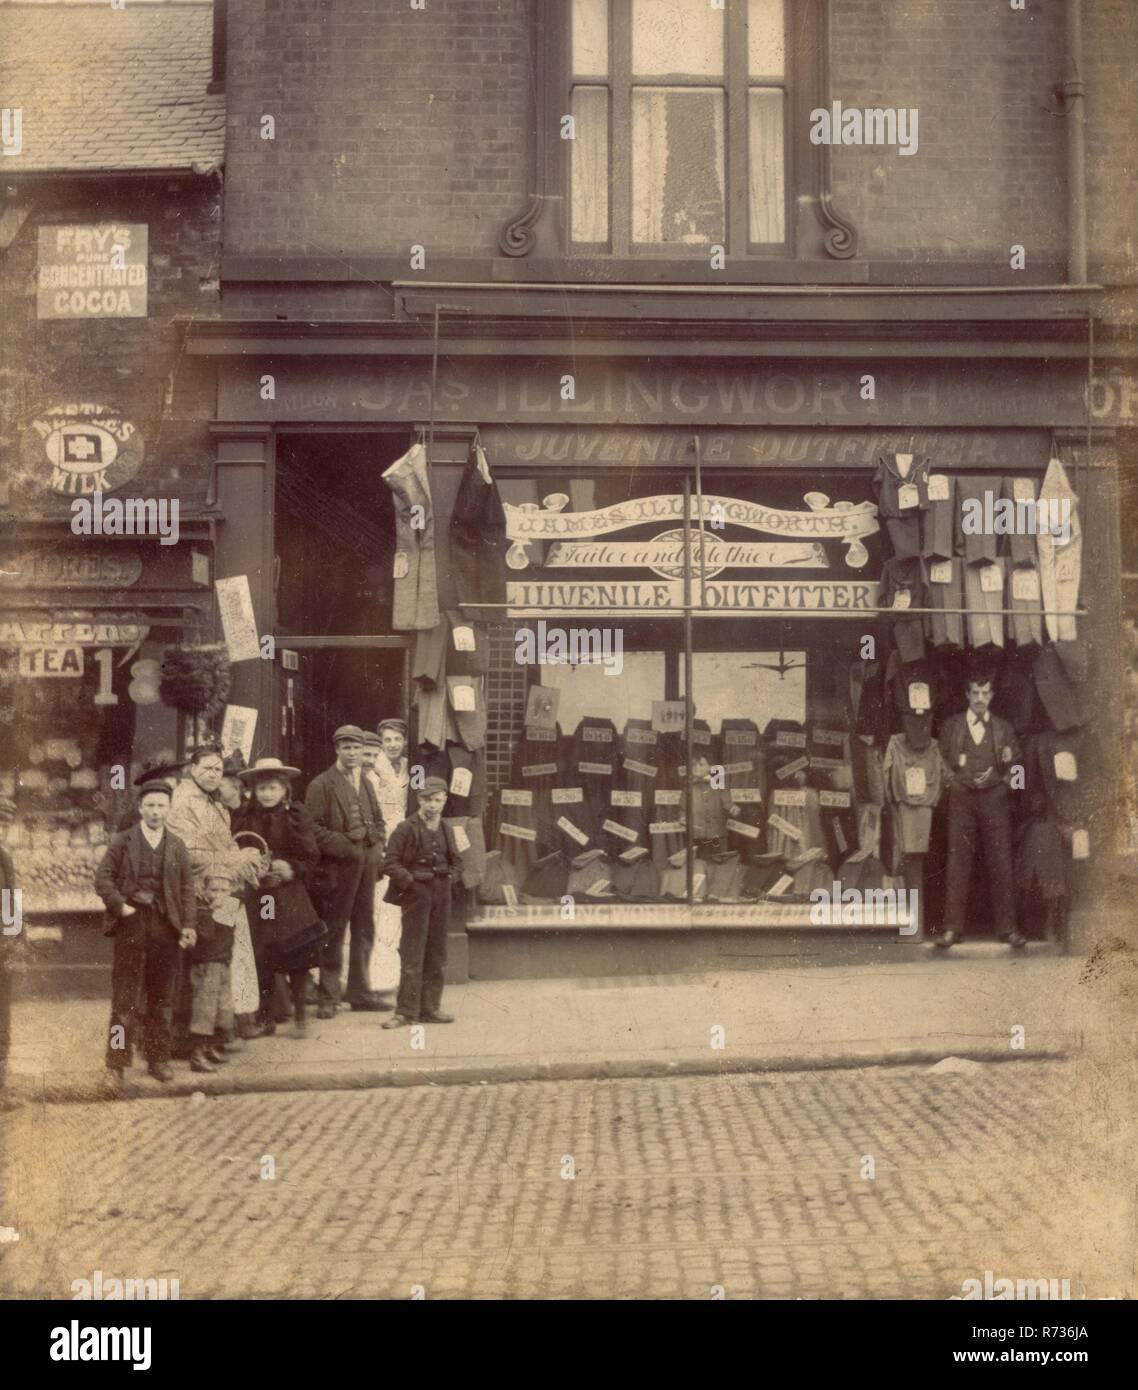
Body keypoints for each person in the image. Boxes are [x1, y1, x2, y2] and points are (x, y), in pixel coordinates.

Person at [94, 780, 197, 1084]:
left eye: (161, 806)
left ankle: (158, 1059)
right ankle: (116, 1064)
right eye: (150, 805)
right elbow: (103, 879)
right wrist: (121, 907)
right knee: (124, 998)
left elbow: (187, 889)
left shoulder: (177, 844)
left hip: (166, 927)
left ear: (169, 809)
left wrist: (188, 925)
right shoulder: (123, 841)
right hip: (132, 926)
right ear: (140, 808)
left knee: (162, 998)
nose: (155, 811)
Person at [166, 744, 266, 1040]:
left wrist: (243, 856)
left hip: (222, 889)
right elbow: (189, 853)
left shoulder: (216, 805)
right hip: (199, 893)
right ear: (193, 769)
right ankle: (199, 1037)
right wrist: (238, 859)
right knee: (209, 963)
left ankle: (227, 1027)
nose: (213, 774)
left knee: (227, 957)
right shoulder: (182, 802)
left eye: (217, 769)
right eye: (207, 768)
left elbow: (223, 845)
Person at [234, 757, 326, 1038]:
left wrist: (291, 868)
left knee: (297, 954)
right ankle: (265, 1016)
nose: (267, 794)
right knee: (264, 954)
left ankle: (300, 1015)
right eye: (262, 788)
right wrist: (248, 866)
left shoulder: (296, 816)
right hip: (262, 898)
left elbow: (311, 856)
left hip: (289, 895)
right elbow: (236, 850)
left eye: (273, 788)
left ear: (284, 789)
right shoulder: (246, 818)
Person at [936, 672, 1026, 950]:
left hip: (995, 800)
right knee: (957, 862)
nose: (980, 699)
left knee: (1001, 861)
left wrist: (1004, 786)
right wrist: (955, 783)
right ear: (967, 695)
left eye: (985, 693)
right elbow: (939, 762)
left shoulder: (1003, 729)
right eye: (975, 693)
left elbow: (1019, 767)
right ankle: (952, 929)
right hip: (961, 799)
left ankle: (1008, 929)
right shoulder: (951, 726)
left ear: (992, 696)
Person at [305, 725, 388, 1018]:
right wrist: (345, 846)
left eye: (356, 748)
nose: (352, 753)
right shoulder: (322, 784)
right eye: (347, 748)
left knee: (365, 928)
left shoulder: (364, 780)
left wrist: (377, 847)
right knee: (334, 931)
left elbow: (378, 818)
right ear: (337, 749)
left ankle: (360, 993)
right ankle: (328, 997)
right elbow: (311, 828)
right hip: (338, 870)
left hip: (366, 867)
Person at [381, 776, 460, 1029]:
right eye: (428, 800)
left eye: (438, 800)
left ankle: (430, 1008)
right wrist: (411, 883)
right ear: (419, 799)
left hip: (441, 894)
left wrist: (450, 879)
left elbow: (457, 862)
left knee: (436, 953)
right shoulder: (405, 828)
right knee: (412, 952)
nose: (433, 805)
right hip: (417, 895)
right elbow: (390, 862)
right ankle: (405, 1012)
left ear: (445, 801)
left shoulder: (447, 829)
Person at [365, 719, 410, 999]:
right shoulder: (371, 768)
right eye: (388, 740)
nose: (393, 745)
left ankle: (391, 975)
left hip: (403, 842)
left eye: (397, 739)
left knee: (396, 909)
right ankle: (374, 977)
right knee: (378, 905)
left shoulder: (410, 767)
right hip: (380, 842)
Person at [187, 871, 238, 1073]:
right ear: (205, 890)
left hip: (222, 963)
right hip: (206, 964)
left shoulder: (230, 907)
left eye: (224, 890)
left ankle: (209, 1047)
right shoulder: (201, 911)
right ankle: (197, 1054)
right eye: (214, 890)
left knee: (221, 1008)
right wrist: (210, 912)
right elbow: (206, 937)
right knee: (205, 1009)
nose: (219, 894)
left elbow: (228, 936)